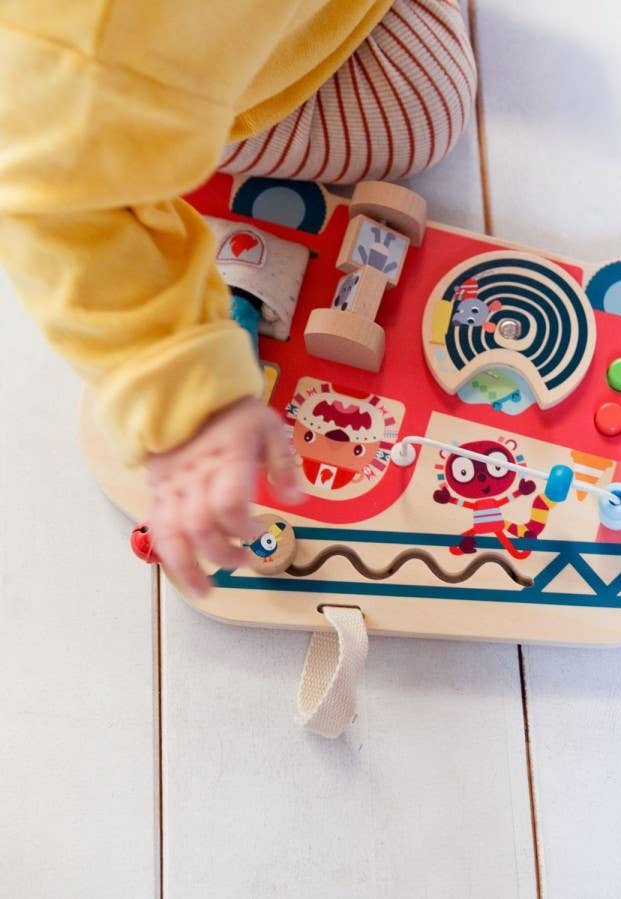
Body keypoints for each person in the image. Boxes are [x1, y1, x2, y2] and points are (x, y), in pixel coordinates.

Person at [0, 0, 476, 596]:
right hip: (194, 77)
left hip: (268, 40)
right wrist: (181, 391)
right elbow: (51, 207)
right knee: (426, 104)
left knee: (426, 99)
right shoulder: (66, 64)